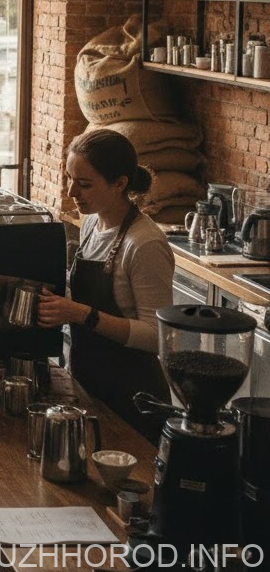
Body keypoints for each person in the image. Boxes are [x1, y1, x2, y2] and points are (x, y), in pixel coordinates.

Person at [37, 129, 173, 445]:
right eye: (70, 178)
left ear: (120, 183)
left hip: (133, 397)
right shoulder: (91, 223)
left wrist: (82, 314)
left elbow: (156, 338)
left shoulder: (145, 243)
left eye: (84, 184)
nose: (72, 191)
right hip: (88, 381)